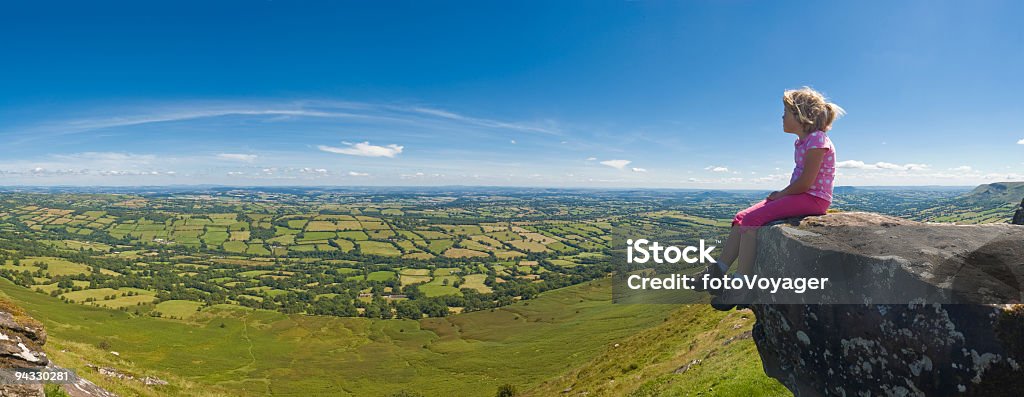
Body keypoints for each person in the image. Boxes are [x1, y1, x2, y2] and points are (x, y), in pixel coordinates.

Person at [698, 86, 845, 310]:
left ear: (801, 115)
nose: (782, 117)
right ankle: (717, 270)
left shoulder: (817, 140)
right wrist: (783, 195)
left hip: (813, 198)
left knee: (750, 222)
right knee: (741, 217)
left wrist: (782, 194)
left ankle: (742, 287)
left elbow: (806, 183)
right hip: (802, 195)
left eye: (786, 112)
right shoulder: (805, 141)